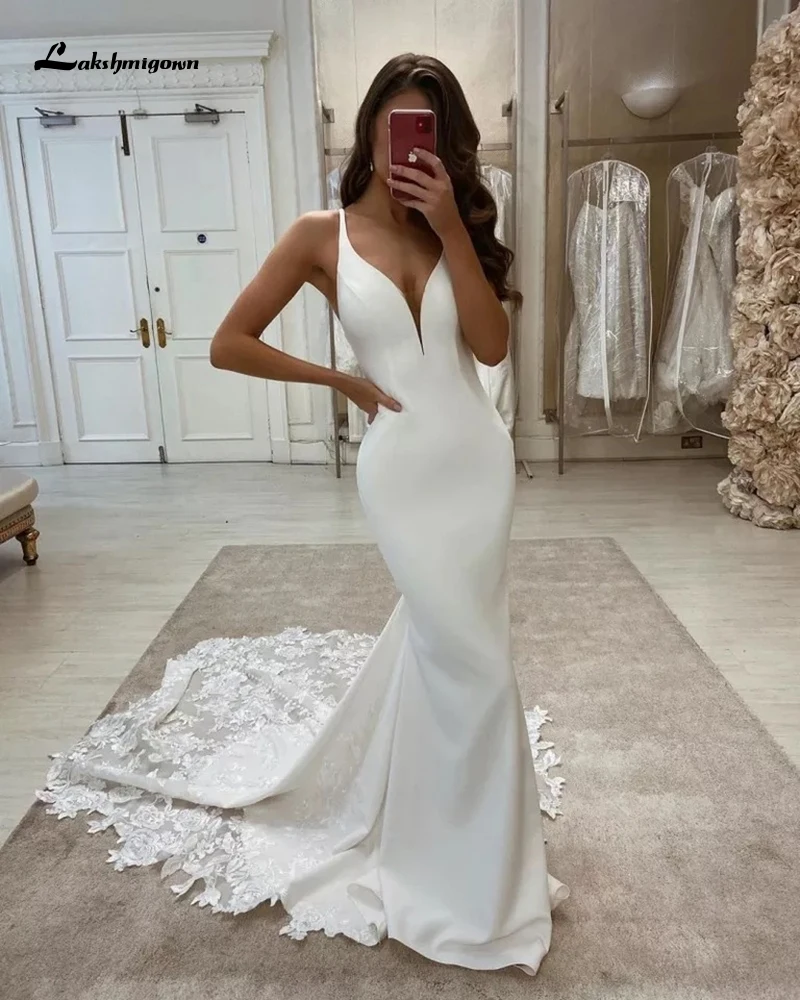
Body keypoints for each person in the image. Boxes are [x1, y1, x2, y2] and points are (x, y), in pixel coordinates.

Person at [36, 54, 569, 975]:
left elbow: (490, 347)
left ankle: (475, 854)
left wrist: (450, 225)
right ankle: (459, 864)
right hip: (400, 472)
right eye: (395, 126)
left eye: (426, 130)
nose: (407, 145)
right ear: (370, 131)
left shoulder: (457, 224)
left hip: (477, 467)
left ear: (446, 142)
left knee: (470, 654)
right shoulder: (321, 235)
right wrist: (341, 381)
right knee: (465, 656)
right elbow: (228, 343)